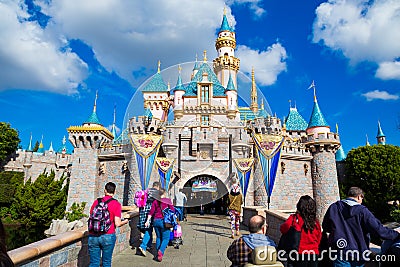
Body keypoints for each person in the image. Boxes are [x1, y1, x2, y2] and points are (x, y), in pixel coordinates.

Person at [322, 187, 400, 267]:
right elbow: (378, 230)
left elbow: (326, 226)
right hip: (358, 251)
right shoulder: (363, 211)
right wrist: (396, 234)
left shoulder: (334, 207)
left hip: (340, 249)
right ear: (359, 196)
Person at [88, 182, 128, 267]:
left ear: (105, 190)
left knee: (94, 263)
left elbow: (91, 215)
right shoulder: (116, 204)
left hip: (93, 235)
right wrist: (125, 221)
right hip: (108, 235)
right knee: (106, 262)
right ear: (114, 192)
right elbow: (117, 223)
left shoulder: (96, 202)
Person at [280, 195, 322, 267]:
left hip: (298, 253)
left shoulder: (294, 218)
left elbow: (283, 229)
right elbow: (319, 238)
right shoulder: (315, 222)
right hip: (313, 253)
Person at [145, 188, 175, 262]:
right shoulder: (167, 201)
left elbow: (151, 212)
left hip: (155, 221)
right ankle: (160, 251)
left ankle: (157, 254)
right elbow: (172, 211)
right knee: (166, 238)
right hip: (164, 222)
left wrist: (147, 221)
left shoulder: (155, 201)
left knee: (158, 237)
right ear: (164, 193)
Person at [137, 181, 161, 257]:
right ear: (158, 187)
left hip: (143, 212)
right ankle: (143, 246)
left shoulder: (146, 191)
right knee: (149, 229)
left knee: (148, 228)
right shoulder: (157, 193)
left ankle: (148, 245)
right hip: (151, 212)